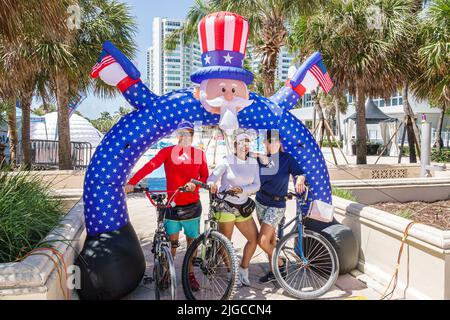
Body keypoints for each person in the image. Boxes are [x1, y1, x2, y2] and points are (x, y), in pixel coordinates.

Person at [124, 121, 208, 291]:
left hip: (192, 207)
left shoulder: (199, 153)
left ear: (192, 136)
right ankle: (167, 274)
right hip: (172, 207)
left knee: (192, 245)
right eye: (181, 133)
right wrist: (132, 182)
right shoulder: (167, 152)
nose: (184, 136)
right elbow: (150, 166)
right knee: (172, 245)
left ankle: (190, 274)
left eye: (188, 133)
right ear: (178, 136)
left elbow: (205, 177)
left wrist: (196, 185)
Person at [207, 131, 260, 287]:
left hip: (242, 206)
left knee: (254, 239)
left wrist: (241, 189)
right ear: (235, 146)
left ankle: (243, 268)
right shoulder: (226, 161)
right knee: (226, 243)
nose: (244, 146)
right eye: (241, 143)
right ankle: (232, 272)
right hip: (225, 206)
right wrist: (212, 184)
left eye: (247, 142)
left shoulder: (253, 162)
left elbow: (256, 185)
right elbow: (211, 178)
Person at [255, 129, 306, 283]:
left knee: (262, 241)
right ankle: (274, 272)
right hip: (260, 201)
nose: (274, 144)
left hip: (277, 204)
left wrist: (300, 179)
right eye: (270, 141)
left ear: (280, 143)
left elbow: (300, 172)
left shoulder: (286, 158)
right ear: (265, 143)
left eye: (277, 141)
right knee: (270, 240)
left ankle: (280, 262)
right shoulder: (260, 159)